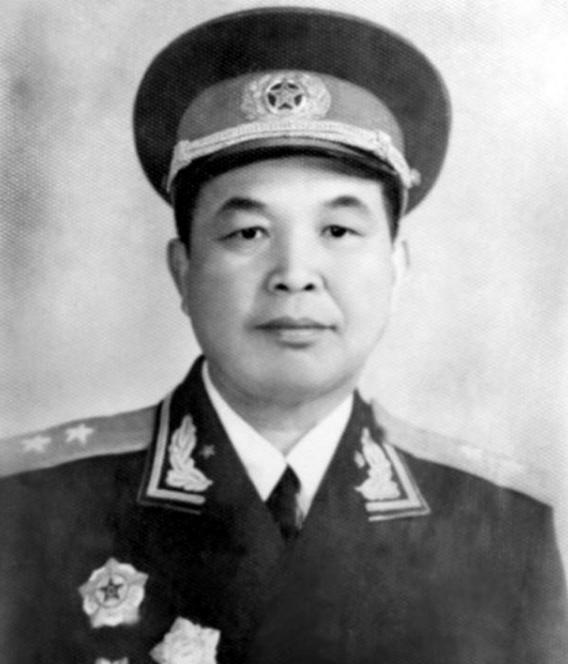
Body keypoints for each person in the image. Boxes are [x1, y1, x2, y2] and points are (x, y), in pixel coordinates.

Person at [0, 7, 566, 664]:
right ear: (184, 271)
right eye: (248, 233)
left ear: (396, 269)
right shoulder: (27, 508)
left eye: (339, 231)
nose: (295, 274)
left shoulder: (504, 530)